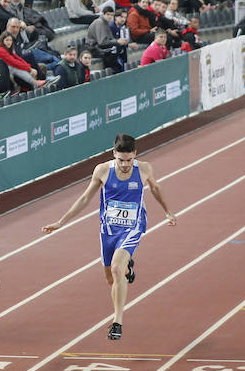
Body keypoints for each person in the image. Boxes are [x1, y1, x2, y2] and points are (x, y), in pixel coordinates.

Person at [43, 133, 176, 340]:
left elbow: (156, 189)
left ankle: (117, 322)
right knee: (111, 279)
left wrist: (168, 211)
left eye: (129, 160)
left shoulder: (144, 169)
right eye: (121, 160)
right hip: (108, 230)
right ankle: (126, 267)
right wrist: (61, 222)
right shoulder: (103, 171)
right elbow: (86, 197)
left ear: (135, 155)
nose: (125, 165)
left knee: (116, 268)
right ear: (114, 154)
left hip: (133, 227)